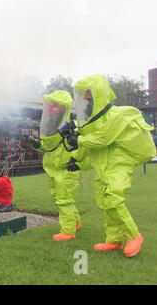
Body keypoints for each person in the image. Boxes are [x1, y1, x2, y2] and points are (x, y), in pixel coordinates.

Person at [67, 74, 156, 257]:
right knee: (104, 201)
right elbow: (88, 143)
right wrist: (75, 158)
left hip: (119, 162)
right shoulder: (92, 122)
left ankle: (133, 235)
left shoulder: (116, 116)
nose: (86, 101)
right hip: (103, 166)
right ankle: (113, 240)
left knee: (112, 197)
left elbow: (102, 139)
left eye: (89, 96)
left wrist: (79, 140)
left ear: (98, 94)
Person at [29, 90, 88, 241]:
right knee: (60, 197)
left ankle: (68, 231)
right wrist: (37, 145)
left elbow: (83, 147)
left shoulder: (72, 129)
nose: (51, 109)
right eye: (51, 105)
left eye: (56, 106)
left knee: (64, 199)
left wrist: (76, 162)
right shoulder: (51, 128)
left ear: (63, 108)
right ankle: (75, 222)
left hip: (66, 169)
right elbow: (48, 146)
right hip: (52, 169)